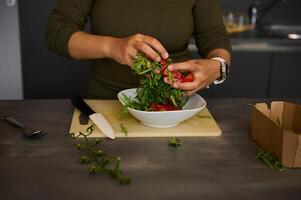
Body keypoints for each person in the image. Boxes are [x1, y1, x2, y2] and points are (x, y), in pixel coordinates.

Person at [46, 0, 231, 99]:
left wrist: (217, 66)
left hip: (176, 105)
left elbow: (215, 38)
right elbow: (57, 33)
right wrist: (112, 47)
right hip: (108, 104)